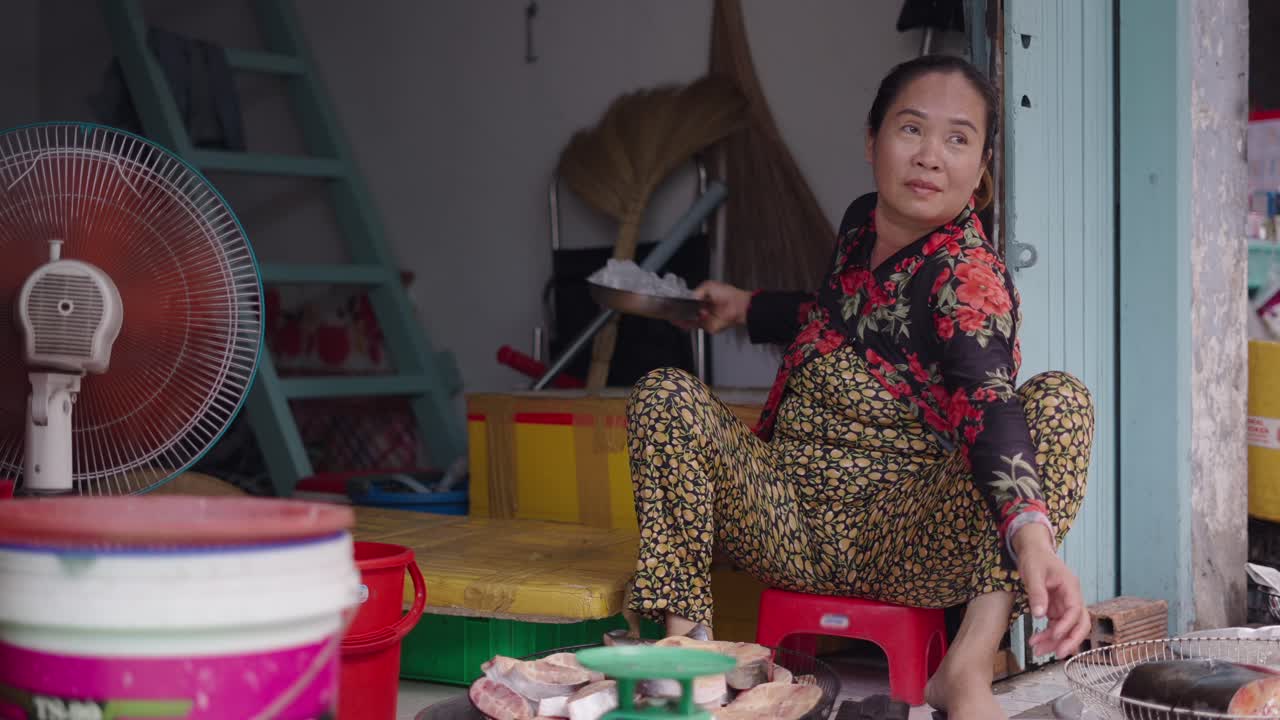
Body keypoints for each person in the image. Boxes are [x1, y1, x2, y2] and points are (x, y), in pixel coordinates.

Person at [623, 54, 1094, 720]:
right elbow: (842, 313)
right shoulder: (860, 224)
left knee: (1060, 402)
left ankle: (965, 668)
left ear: (981, 166)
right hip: (786, 516)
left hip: (904, 536)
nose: (930, 156)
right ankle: (684, 653)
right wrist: (747, 307)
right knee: (665, 394)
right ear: (872, 142)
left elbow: (988, 401)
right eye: (911, 130)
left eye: (958, 139)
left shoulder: (967, 278)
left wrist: (1034, 542)